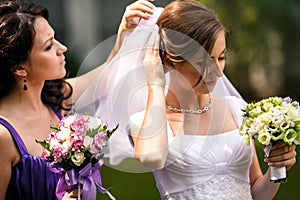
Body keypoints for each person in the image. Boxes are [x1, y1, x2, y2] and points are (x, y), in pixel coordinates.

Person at [75, 0, 297, 199]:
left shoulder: (236, 109)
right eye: (204, 62)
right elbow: (153, 157)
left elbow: (255, 192)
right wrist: (155, 82)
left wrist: (277, 171)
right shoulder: (143, 121)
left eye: (221, 57)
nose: (218, 72)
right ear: (170, 61)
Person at [0, 0, 155, 199]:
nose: (62, 48)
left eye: (55, 39)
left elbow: (105, 78)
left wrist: (124, 33)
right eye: (48, 47)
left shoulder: (54, 96)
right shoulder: (4, 136)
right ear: (20, 68)